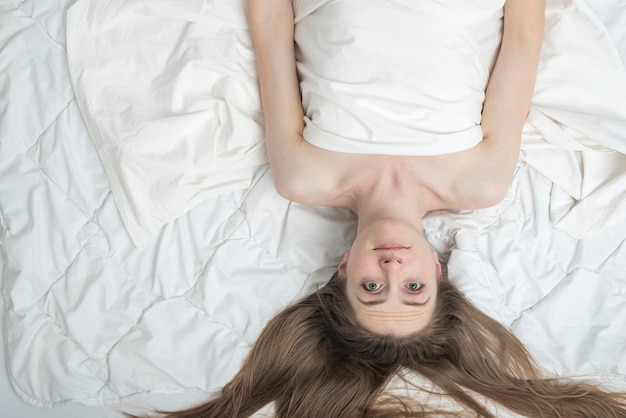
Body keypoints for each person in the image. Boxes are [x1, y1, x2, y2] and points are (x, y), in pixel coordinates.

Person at [125, 0, 626, 416]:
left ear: (343, 270)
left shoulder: (303, 178)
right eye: (413, 288)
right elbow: (521, 41)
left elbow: (275, 28)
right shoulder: (479, 184)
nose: (391, 268)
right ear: (437, 270)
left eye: (370, 289)